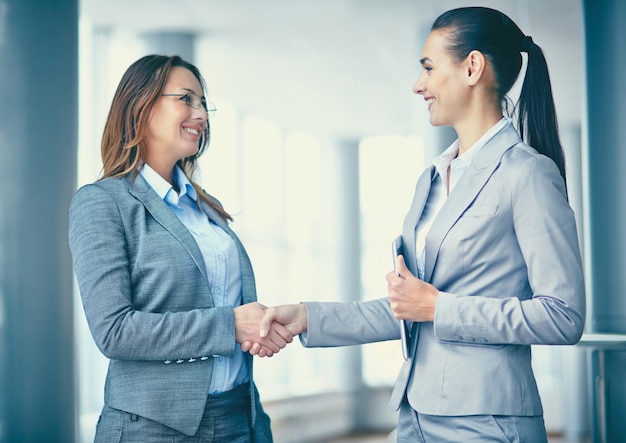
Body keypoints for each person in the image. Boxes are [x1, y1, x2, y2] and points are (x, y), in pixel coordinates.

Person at [252, 7, 586, 442]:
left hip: (488, 423)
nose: (418, 85)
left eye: (428, 68)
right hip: (415, 417)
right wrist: (306, 317)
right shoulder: (431, 179)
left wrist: (438, 308)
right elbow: (408, 307)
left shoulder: (527, 173)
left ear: (472, 67)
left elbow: (563, 316)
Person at [69, 54, 293, 442]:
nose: (201, 114)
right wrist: (231, 324)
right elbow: (114, 331)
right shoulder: (103, 203)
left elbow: (215, 300)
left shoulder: (206, 208)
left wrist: (255, 327)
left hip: (239, 417)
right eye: (186, 99)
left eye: (204, 103)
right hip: (153, 428)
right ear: (141, 104)